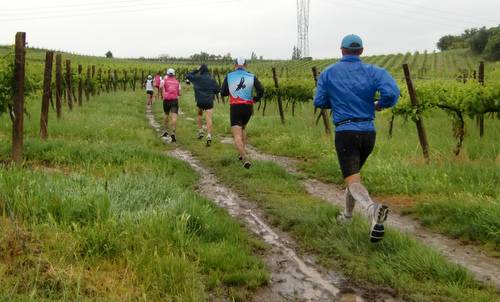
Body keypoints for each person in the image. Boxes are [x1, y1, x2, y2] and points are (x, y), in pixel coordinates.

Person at [313, 34, 400, 243]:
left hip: (346, 131)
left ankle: (371, 209)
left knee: (352, 178)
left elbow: (319, 100)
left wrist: (336, 101)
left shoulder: (328, 73)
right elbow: (392, 92)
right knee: (354, 177)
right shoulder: (375, 72)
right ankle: (347, 216)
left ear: (341, 50)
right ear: (361, 51)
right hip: (369, 132)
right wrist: (379, 104)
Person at [221, 57, 264, 169]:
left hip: (235, 107)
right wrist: (255, 99)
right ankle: (241, 153)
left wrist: (231, 91)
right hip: (248, 107)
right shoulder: (251, 76)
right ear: (246, 65)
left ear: (235, 65)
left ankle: (245, 158)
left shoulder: (229, 76)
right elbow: (261, 90)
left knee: (236, 134)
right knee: (243, 128)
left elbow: (223, 92)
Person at [186, 64, 220, 146]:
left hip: (200, 100)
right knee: (209, 118)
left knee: (199, 114)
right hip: (209, 101)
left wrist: (196, 70)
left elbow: (188, 75)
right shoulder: (211, 79)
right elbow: (217, 90)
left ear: (201, 70)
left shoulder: (197, 78)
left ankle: (200, 131)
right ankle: (209, 135)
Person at [161, 68, 181, 143]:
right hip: (174, 100)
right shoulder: (177, 82)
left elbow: (161, 88)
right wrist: (178, 94)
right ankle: (173, 132)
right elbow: (179, 93)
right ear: (174, 74)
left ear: (167, 74)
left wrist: (162, 95)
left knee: (166, 114)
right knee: (174, 117)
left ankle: (165, 131)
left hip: (166, 100)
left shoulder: (164, 81)